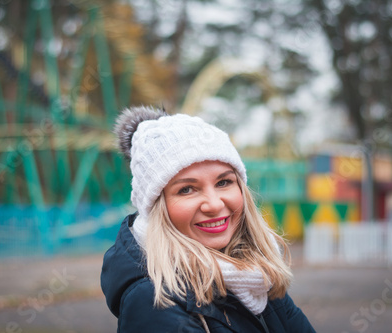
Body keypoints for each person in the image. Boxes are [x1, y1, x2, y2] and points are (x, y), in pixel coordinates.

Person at [101, 106, 315, 332]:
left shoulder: (253, 274)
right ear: (157, 207)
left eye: (224, 182)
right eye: (187, 189)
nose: (214, 204)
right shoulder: (153, 301)